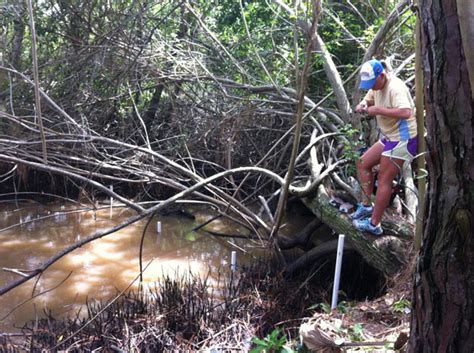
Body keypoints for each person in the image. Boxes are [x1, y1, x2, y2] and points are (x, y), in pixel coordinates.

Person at [351, 59, 417, 235]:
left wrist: (378, 110)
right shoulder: (376, 86)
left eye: (373, 83)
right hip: (390, 137)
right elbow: (369, 97)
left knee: (384, 180)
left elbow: (406, 112)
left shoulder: (396, 87)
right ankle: (366, 206)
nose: (371, 87)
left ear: (382, 75)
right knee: (362, 162)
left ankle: (374, 224)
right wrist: (364, 104)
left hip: (403, 139)